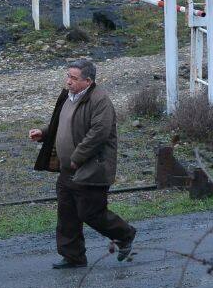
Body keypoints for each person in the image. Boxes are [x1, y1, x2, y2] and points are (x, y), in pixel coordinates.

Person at [29, 59, 137, 269]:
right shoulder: (69, 97)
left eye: (73, 78)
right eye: (67, 76)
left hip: (92, 168)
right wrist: (43, 133)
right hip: (67, 169)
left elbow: (99, 134)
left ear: (88, 81)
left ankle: (125, 235)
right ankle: (73, 257)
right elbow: (62, 124)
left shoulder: (100, 101)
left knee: (91, 212)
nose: (68, 81)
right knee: (67, 213)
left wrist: (77, 158)